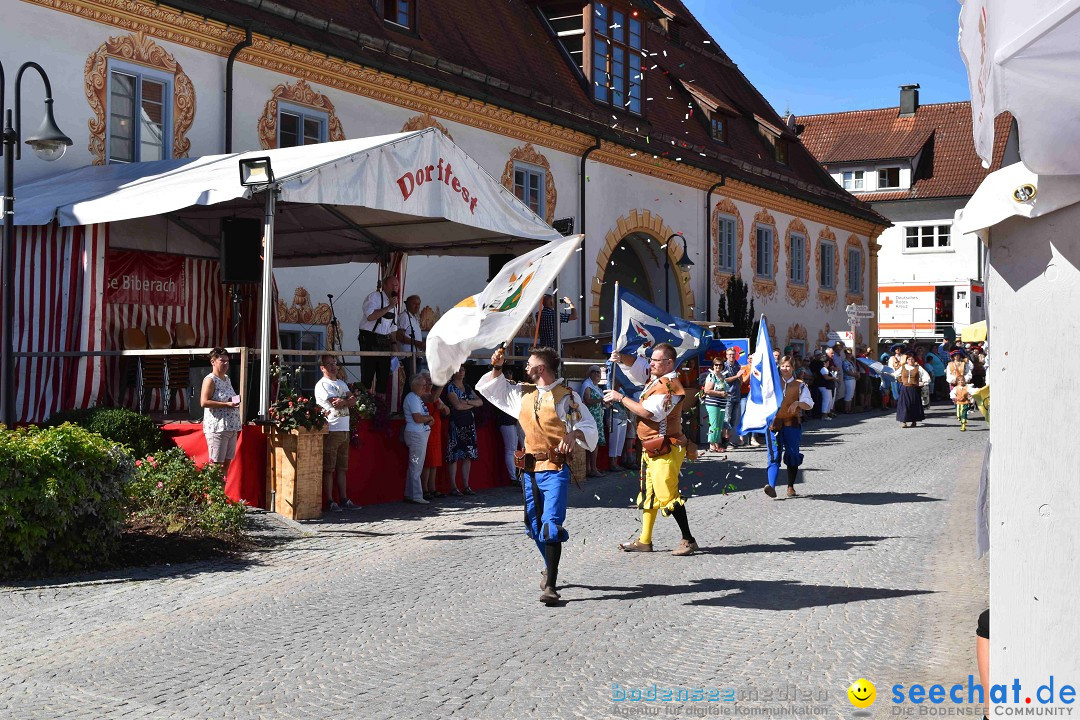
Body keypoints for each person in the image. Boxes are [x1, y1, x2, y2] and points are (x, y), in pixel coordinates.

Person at [478, 345, 598, 605]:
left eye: (530, 364)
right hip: (529, 471)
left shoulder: (566, 397)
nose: (526, 368)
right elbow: (492, 389)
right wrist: (497, 366)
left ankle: (551, 587)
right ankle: (549, 566)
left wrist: (573, 434)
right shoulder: (524, 393)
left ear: (541, 368)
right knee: (534, 527)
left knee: (551, 524)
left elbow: (588, 426)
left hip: (555, 470)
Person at [607, 343, 699, 557]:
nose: (651, 363)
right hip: (652, 448)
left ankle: (688, 539)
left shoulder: (671, 387)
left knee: (668, 495)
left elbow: (649, 413)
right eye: (652, 360)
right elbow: (638, 364)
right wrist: (620, 357)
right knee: (649, 494)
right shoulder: (656, 379)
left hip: (667, 447)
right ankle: (644, 540)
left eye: (656, 360)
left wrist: (620, 398)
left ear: (669, 363)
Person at [764, 355, 814, 499]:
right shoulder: (772, 383)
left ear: (793, 368)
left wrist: (798, 403)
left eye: (788, 366)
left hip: (792, 423)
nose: (785, 369)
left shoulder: (800, 385)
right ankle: (771, 486)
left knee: (792, 454)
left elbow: (809, 404)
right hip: (774, 424)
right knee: (774, 455)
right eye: (783, 366)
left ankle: (790, 486)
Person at [314, 354, 358, 512]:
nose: (333, 366)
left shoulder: (341, 383)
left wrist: (346, 401)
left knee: (342, 467)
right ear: (322, 368)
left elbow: (352, 401)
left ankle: (344, 498)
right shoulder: (323, 385)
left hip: (344, 429)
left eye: (335, 363)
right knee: (329, 467)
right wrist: (347, 401)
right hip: (332, 428)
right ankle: (330, 501)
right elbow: (336, 404)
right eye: (329, 364)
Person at [200, 347, 242, 478]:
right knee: (216, 466)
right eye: (222, 361)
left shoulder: (227, 378)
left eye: (227, 361)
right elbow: (203, 402)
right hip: (217, 428)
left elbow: (225, 396)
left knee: (226, 465)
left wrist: (233, 400)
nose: (225, 364)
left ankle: (221, 497)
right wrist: (226, 404)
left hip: (231, 427)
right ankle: (212, 498)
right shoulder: (210, 379)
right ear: (213, 361)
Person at [358, 274, 399, 399]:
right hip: (369, 338)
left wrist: (394, 344)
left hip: (384, 341)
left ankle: (380, 410)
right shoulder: (374, 297)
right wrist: (389, 307)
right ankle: (364, 406)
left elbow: (392, 327)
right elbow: (370, 316)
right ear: (385, 286)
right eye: (392, 285)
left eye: (396, 285)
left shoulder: (394, 305)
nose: (395, 288)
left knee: (383, 376)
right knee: (368, 374)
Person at [445, 363, 482, 495]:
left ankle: (466, 485)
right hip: (457, 423)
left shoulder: (466, 387)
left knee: (468, 455)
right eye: (458, 370)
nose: (461, 372)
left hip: (469, 424)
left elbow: (480, 402)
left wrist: (466, 402)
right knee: (454, 455)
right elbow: (457, 406)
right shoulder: (451, 387)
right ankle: (454, 486)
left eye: (463, 369)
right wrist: (471, 404)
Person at [402, 372, 433, 504]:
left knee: (415, 465)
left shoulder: (416, 397)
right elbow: (418, 418)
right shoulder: (413, 398)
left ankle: (410, 493)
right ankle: (416, 495)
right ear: (415, 385)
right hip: (416, 435)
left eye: (425, 385)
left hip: (419, 434)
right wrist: (429, 418)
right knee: (416, 465)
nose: (424, 388)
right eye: (422, 385)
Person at [494, 366, 524, 486]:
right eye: (507, 373)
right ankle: (513, 477)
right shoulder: (500, 387)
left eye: (510, 373)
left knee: (514, 449)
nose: (509, 375)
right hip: (506, 419)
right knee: (510, 449)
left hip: (513, 419)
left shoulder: (512, 385)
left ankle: (516, 475)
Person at [422, 384, 450, 500]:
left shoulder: (436, 395)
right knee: (428, 460)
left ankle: (432, 488)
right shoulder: (422, 395)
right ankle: (424, 489)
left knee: (435, 460)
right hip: (427, 430)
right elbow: (432, 399)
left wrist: (444, 408)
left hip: (436, 430)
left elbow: (447, 411)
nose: (429, 383)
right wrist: (443, 383)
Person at [579, 365, 607, 477]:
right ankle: (592, 468)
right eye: (594, 372)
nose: (596, 374)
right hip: (591, 418)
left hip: (598, 418)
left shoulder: (596, 387)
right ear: (590, 373)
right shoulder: (587, 385)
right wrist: (601, 399)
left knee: (594, 443)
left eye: (598, 373)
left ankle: (591, 467)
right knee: (593, 442)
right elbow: (588, 400)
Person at [895, 353, 931, 428]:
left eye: (912, 359)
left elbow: (926, 376)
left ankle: (914, 421)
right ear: (906, 360)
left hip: (914, 389)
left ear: (914, 360)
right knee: (904, 405)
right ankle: (903, 421)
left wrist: (923, 382)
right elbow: (895, 374)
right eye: (909, 359)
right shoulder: (903, 367)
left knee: (913, 405)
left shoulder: (918, 367)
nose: (910, 360)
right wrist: (897, 378)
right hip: (905, 388)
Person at [395, 294, 426, 377]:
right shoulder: (404, 316)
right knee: (412, 380)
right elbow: (399, 336)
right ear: (407, 304)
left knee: (415, 380)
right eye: (414, 304)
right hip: (408, 355)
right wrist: (417, 343)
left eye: (418, 304)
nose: (417, 306)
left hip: (416, 354)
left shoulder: (414, 318)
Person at [702, 357, 728, 453]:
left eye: (720, 365)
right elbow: (707, 390)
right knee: (713, 424)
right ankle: (712, 444)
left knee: (719, 424)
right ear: (713, 366)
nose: (718, 367)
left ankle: (717, 443)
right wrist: (720, 394)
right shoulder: (711, 376)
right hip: (713, 403)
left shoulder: (722, 376)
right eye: (716, 365)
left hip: (721, 403)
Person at [720, 347, 742, 449]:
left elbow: (740, 379)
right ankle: (724, 442)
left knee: (733, 420)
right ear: (726, 355)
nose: (731, 356)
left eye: (733, 354)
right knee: (726, 419)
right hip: (728, 396)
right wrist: (737, 376)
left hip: (737, 395)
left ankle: (728, 439)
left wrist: (740, 378)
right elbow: (725, 380)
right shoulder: (724, 366)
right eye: (729, 355)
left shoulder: (737, 365)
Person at [841, 348, 858, 414]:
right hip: (848, 379)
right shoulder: (845, 362)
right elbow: (848, 371)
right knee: (848, 393)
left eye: (850, 353)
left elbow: (854, 370)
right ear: (845, 354)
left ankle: (849, 408)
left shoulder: (851, 361)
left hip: (853, 378)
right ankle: (846, 409)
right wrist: (855, 375)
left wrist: (856, 374)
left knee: (851, 394)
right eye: (848, 353)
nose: (849, 354)